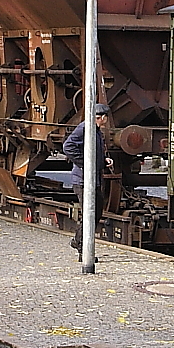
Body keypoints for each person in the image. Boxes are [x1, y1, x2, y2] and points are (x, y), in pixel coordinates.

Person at [63, 103, 112, 260]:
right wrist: (86, 163)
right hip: (84, 180)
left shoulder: (96, 131)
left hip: (93, 179)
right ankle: (83, 250)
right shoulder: (85, 128)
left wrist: (103, 162)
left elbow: (92, 152)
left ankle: (78, 241)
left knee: (95, 212)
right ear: (102, 117)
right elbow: (68, 147)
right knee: (90, 214)